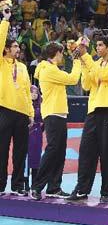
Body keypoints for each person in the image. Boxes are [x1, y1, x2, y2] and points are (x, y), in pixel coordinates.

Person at [67, 36, 108, 203]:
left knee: (107, 153)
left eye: (100, 45)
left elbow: (103, 75)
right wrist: (84, 64)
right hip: (93, 111)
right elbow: (86, 84)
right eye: (96, 45)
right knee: (86, 152)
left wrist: (85, 57)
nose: (97, 48)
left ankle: (106, 191)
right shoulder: (96, 63)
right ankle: (82, 189)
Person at [30, 42, 81, 200]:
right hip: (53, 113)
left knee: (59, 151)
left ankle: (54, 187)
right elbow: (73, 79)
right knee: (53, 149)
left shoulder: (49, 69)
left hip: (58, 113)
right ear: (55, 53)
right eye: (61, 53)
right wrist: (77, 61)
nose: (62, 56)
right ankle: (37, 186)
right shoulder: (49, 70)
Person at [0, 7, 34, 196]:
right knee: (2, 150)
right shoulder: (1, 63)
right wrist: (5, 21)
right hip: (4, 111)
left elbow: (27, 92)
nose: (18, 49)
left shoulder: (22, 67)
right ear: (6, 49)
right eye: (14, 47)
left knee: (21, 152)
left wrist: (30, 114)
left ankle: (18, 184)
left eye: (18, 47)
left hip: (22, 114)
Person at [25, 85, 43, 191]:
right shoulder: (24, 105)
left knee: (36, 160)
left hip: (37, 135)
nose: (34, 94)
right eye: (32, 92)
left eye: (36, 92)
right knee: (26, 160)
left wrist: (40, 128)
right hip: (27, 135)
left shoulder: (41, 105)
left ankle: (35, 184)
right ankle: (25, 184)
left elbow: (44, 120)